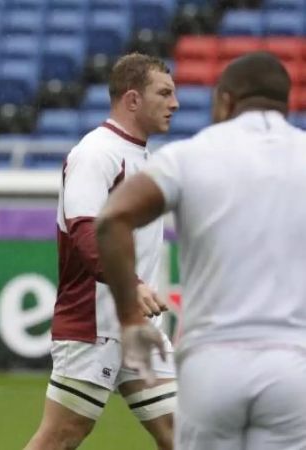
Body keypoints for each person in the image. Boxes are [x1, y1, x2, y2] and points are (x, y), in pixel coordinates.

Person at [97, 51, 306, 450]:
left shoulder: (189, 156)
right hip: (293, 365)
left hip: (212, 363)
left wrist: (129, 320)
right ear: (286, 102)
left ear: (225, 100)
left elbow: (112, 220)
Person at [24, 53, 180, 450]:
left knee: (185, 434)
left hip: (138, 327)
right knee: (60, 438)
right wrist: (131, 283)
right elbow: (85, 231)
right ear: (132, 100)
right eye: (164, 93)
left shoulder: (142, 157)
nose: (174, 104)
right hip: (95, 326)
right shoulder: (96, 153)